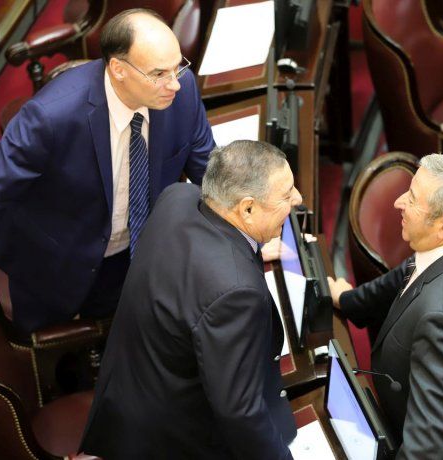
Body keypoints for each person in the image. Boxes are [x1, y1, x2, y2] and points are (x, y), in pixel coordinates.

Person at [0, 9, 215, 335]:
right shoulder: (50, 117)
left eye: (178, 67)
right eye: (159, 73)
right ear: (118, 69)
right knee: (42, 350)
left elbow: (208, 170)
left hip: (132, 255)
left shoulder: (182, 91)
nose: (174, 83)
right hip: (53, 263)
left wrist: (245, 228)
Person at [80, 140, 301, 459]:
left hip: (129, 394)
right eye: (286, 194)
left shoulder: (178, 197)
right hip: (171, 439)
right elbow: (239, 411)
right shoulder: (236, 293)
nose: (298, 199)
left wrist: (247, 247)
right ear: (247, 208)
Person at [328, 154, 443, 459]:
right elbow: (415, 268)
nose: (398, 202)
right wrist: (349, 301)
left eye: (412, 199)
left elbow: (428, 449)